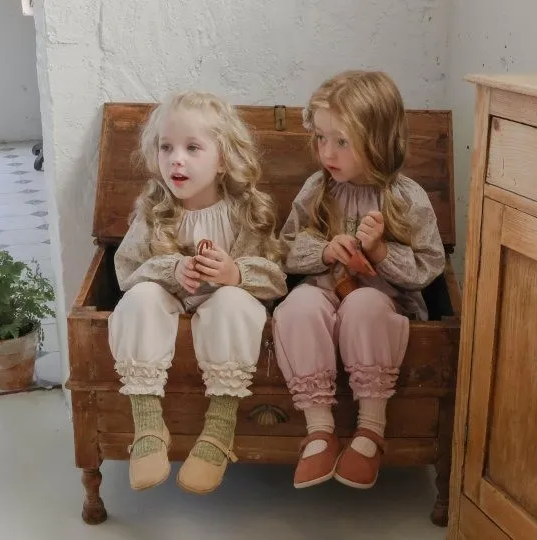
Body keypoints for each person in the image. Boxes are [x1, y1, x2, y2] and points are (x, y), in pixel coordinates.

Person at [272, 70, 445, 490]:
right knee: (297, 307)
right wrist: (325, 251)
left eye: (342, 141)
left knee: (364, 305)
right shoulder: (318, 189)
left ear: (378, 141)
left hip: (381, 302)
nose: (327, 152)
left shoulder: (405, 197)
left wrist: (382, 252)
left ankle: (370, 429)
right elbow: (285, 248)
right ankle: (319, 429)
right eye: (321, 138)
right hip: (324, 292)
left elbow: (429, 265)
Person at [109, 90, 287, 495]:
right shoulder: (154, 212)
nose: (176, 159)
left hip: (227, 322)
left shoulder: (245, 212)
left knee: (234, 302)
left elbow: (276, 280)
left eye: (192, 148)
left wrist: (234, 273)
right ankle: (148, 423)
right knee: (140, 298)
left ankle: (219, 427)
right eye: (166, 147)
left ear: (222, 159)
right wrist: (171, 270)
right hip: (167, 311)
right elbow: (126, 271)